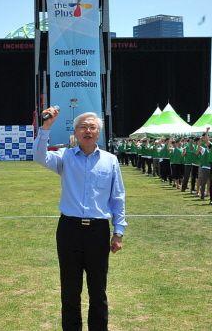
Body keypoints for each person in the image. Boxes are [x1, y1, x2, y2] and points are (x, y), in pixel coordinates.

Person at [34, 108, 126, 331]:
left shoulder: (110, 160)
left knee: (98, 290)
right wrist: (46, 127)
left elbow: (117, 197)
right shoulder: (65, 157)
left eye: (92, 127)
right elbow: (39, 156)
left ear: (99, 133)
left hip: (98, 231)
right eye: (83, 126)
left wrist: (118, 231)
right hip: (69, 230)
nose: (88, 130)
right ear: (75, 131)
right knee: (70, 290)